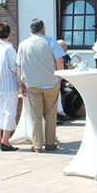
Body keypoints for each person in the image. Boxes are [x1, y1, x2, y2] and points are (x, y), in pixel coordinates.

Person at [18, 19, 64, 153]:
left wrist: (21, 83)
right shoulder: (51, 41)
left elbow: (19, 66)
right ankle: (50, 142)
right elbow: (59, 61)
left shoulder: (23, 44)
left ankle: (37, 144)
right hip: (50, 82)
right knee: (50, 113)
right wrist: (59, 79)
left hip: (32, 83)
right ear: (43, 29)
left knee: (36, 115)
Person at [0, 23, 20, 151]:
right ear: (10, 34)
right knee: (9, 112)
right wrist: (21, 84)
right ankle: (6, 140)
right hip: (9, 85)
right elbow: (15, 68)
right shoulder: (9, 49)